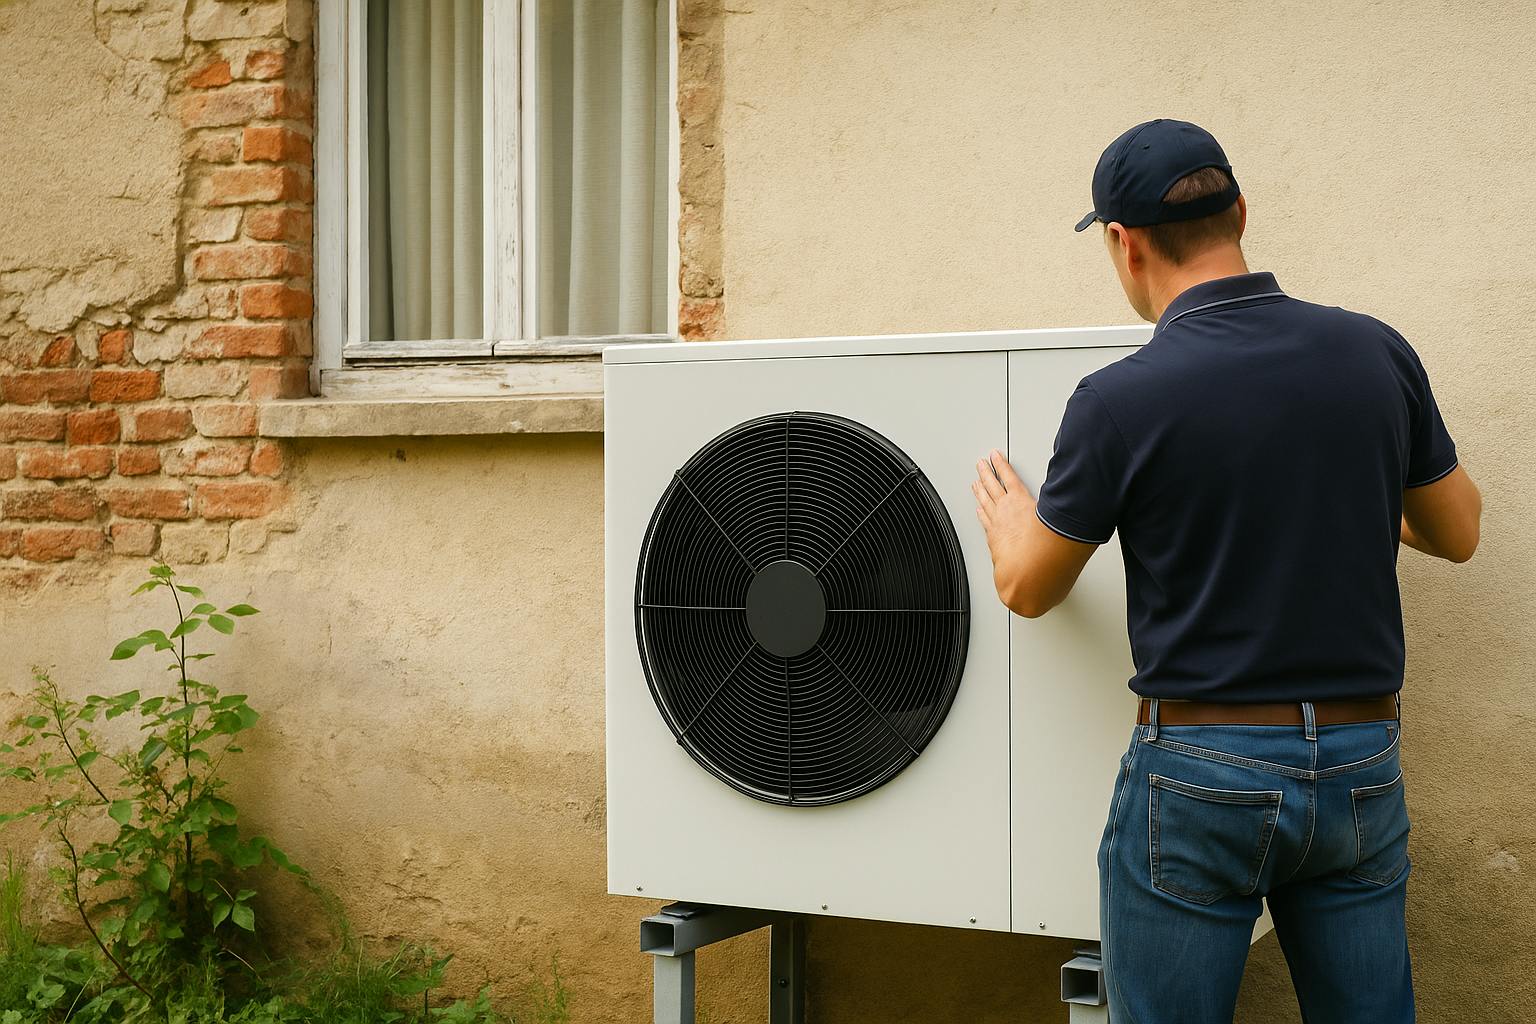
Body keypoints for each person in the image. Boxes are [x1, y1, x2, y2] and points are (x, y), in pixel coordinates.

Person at [971, 119, 1481, 1024]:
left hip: (1203, 769)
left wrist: (1014, 519)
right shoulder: (1375, 351)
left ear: (1123, 246)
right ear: (1241, 211)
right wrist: (1350, 495)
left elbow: (1028, 588)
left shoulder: (1120, 399)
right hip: (1362, 760)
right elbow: (1458, 531)